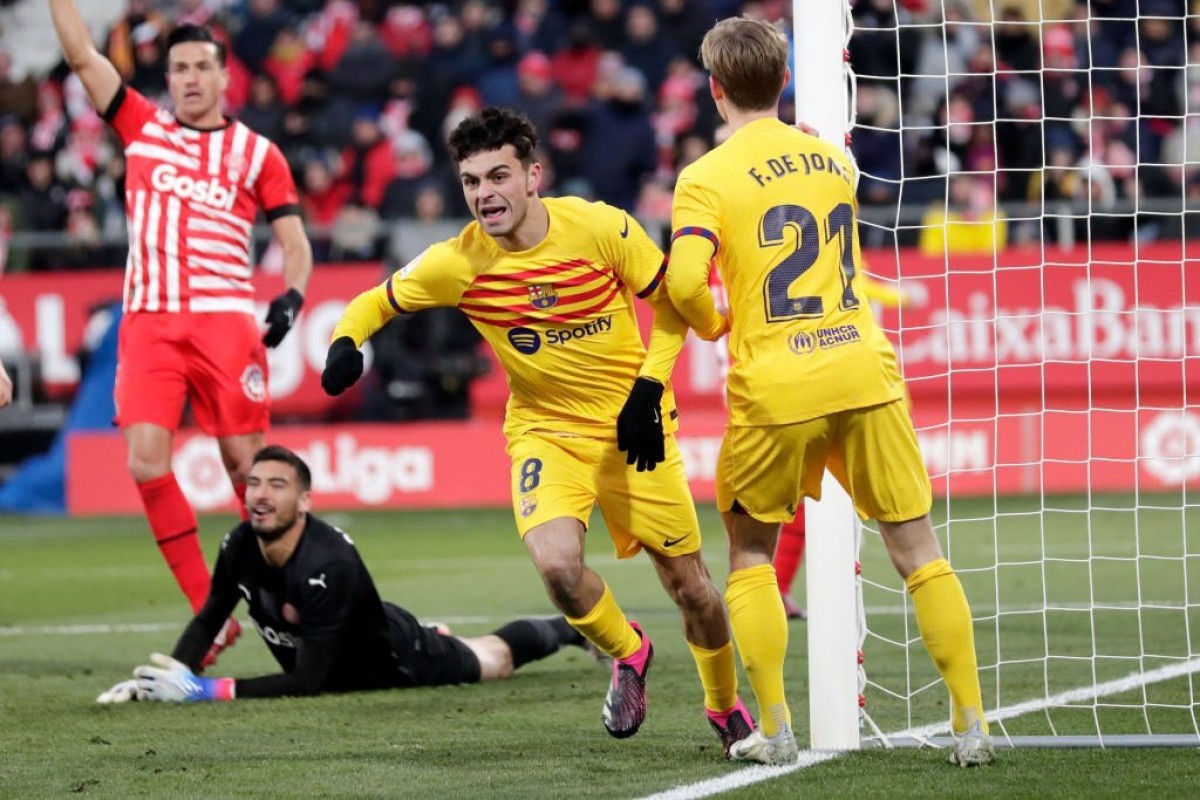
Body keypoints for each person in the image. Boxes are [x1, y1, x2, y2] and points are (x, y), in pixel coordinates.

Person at [321, 107, 754, 756]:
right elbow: (374, 301)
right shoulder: (457, 262)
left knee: (691, 587)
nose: (484, 194)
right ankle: (629, 651)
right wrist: (344, 342)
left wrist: (648, 388)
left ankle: (723, 706)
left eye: (498, 176)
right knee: (557, 567)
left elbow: (672, 305)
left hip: (633, 425)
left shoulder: (601, 227)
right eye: (471, 182)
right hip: (545, 432)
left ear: (532, 176)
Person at [647, 17, 994, 766]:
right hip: (863, 369)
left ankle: (775, 729)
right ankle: (972, 724)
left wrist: (713, 323)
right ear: (783, 80)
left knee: (750, 554)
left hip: (777, 385)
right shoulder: (833, 159)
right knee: (918, 551)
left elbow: (685, 282)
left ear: (714, 89)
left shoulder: (704, 176)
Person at [49, 2, 313, 666]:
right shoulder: (141, 126)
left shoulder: (257, 153)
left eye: (201, 67)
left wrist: (292, 294)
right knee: (144, 461)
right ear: (167, 78)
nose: (190, 78)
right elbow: (81, 56)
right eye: (179, 69)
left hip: (226, 323)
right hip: (151, 321)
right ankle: (209, 612)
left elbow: (295, 242)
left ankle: (294, 600)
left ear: (224, 77)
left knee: (249, 472)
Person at [96, 446, 590, 703]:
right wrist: (173, 676)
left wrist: (205, 691)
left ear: (304, 502)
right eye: (254, 484)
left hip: (397, 662)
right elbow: (210, 618)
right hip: (343, 643)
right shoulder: (239, 544)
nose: (260, 495)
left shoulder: (327, 566)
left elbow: (310, 681)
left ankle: (572, 628)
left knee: (495, 659)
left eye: (277, 485)